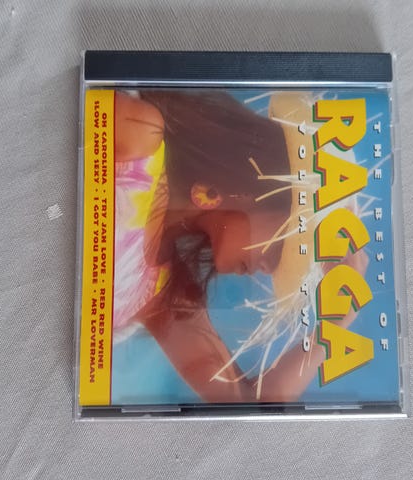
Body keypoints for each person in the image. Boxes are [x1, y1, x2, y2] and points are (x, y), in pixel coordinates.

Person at [112, 90, 368, 403]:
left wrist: (334, 326)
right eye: (278, 251)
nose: (265, 270)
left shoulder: (166, 295)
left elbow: (248, 404)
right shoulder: (142, 134)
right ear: (260, 189)